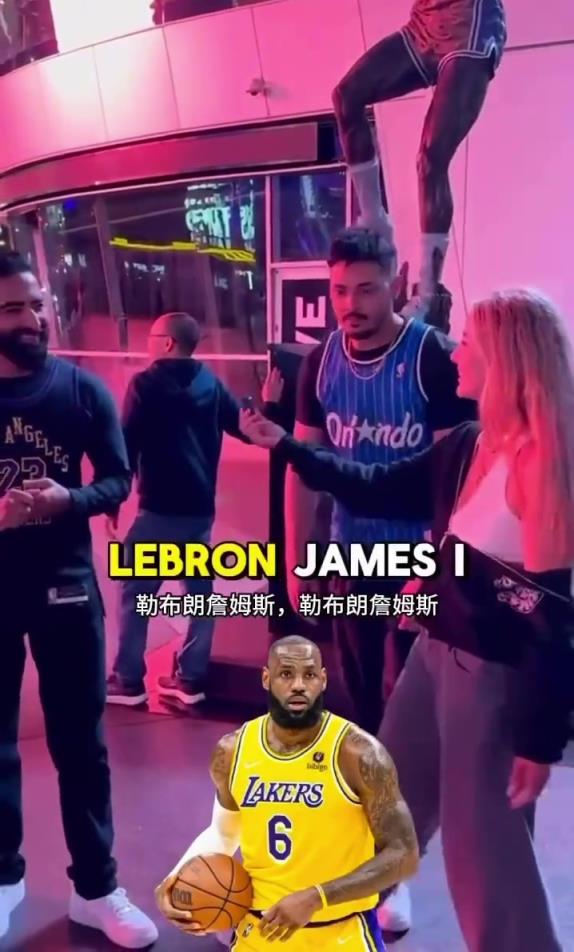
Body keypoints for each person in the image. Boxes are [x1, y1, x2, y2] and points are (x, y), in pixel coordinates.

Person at [240, 288, 574, 952]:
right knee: (383, 800)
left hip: (490, 677)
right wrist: (288, 446)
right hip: (435, 653)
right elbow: (377, 485)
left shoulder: (545, 462)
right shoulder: (474, 444)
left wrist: (539, 743)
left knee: (486, 853)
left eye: (469, 342)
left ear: (505, 358)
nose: (456, 354)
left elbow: (551, 619)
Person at [0, 251, 157, 947]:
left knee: (81, 746)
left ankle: (96, 889)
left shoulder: (81, 391)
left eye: (36, 304)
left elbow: (119, 480)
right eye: (12, 309)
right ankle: (3, 881)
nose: (32, 320)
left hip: (66, 587)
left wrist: (69, 499)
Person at [287, 228, 476, 734]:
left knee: (417, 709)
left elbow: (457, 484)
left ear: (394, 285)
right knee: (362, 701)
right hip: (350, 553)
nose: (350, 304)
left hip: (419, 555)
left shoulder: (433, 357)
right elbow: (302, 470)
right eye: (340, 291)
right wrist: (295, 564)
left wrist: (437, 572)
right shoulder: (320, 363)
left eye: (366, 289)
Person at [155, 635, 419, 950]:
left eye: (309, 674)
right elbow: (223, 833)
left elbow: (404, 854)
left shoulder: (358, 753)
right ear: (266, 679)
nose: (298, 685)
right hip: (260, 932)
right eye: (286, 674)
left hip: (340, 932)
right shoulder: (233, 750)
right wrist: (177, 878)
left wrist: (317, 897)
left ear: (323, 680)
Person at [106, 313, 284, 708]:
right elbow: (248, 430)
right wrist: (269, 403)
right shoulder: (210, 382)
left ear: (168, 343)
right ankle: (190, 679)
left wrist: (113, 500)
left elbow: (125, 444)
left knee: (134, 595)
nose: (148, 343)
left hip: (158, 511)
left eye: (153, 336)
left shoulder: (144, 385)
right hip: (199, 512)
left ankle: (128, 681)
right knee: (200, 597)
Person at [333, 0, 508, 325]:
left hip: (471, 21)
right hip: (425, 21)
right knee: (347, 96)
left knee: (430, 157)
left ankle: (427, 290)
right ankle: (375, 219)